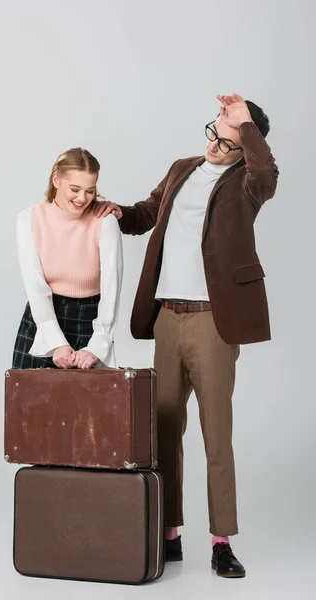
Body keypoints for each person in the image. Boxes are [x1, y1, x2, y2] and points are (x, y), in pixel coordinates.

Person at [96, 94, 279, 577]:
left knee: (216, 434)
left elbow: (268, 175)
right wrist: (116, 212)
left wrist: (245, 126)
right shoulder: (182, 168)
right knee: (164, 429)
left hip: (213, 321)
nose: (216, 146)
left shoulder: (247, 181)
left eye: (228, 141)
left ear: (245, 147)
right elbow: (147, 212)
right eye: (213, 133)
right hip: (166, 320)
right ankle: (170, 532)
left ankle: (221, 542)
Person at [12, 147, 123, 371]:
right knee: (28, 403)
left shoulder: (105, 221)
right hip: (43, 318)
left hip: (90, 322)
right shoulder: (29, 219)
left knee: (90, 405)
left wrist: (98, 344)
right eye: (75, 189)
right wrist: (55, 342)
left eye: (90, 191)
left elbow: (112, 286)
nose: (82, 198)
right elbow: (35, 285)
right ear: (56, 180)